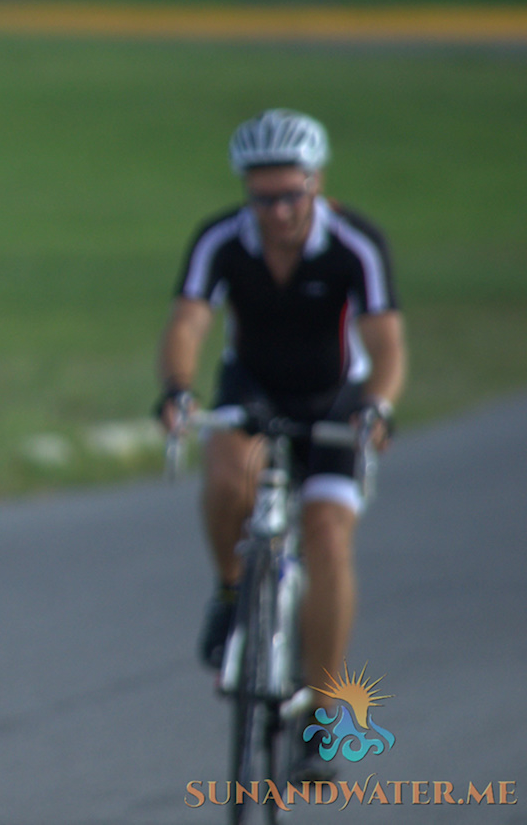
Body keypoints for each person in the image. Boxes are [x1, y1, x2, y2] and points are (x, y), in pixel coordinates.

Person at [155, 109, 405, 782]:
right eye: (262, 196)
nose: (277, 211)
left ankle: (323, 712)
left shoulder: (355, 241)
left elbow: (386, 342)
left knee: (326, 533)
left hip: (335, 397)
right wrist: (178, 390)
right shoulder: (222, 239)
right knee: (229, 470)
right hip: (257, 386)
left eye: (292, 194)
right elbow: (189, 319)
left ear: (317, 183)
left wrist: (378, 404)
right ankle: (230, 588)